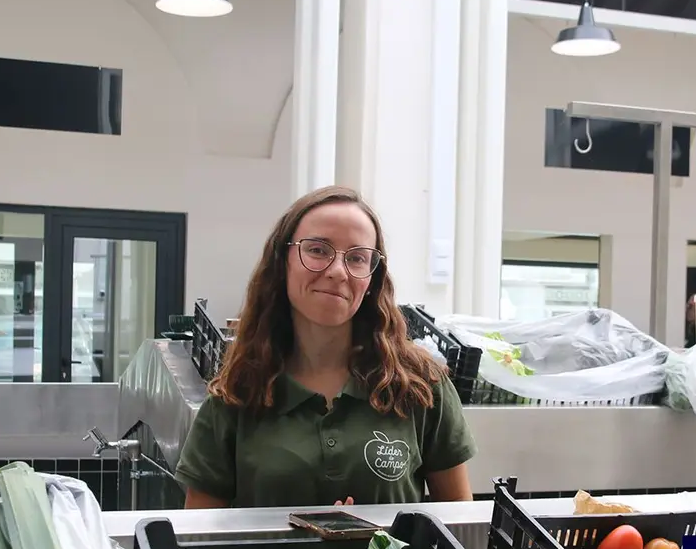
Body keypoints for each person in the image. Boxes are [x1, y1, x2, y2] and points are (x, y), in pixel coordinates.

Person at [176, 186, 477, 509]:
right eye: (318, 250)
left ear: (372, 280)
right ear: (282, 261)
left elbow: (459, 522)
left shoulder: (420, 386)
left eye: (357, 258)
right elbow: (199, 540)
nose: (337, 272)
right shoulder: (236, 394)